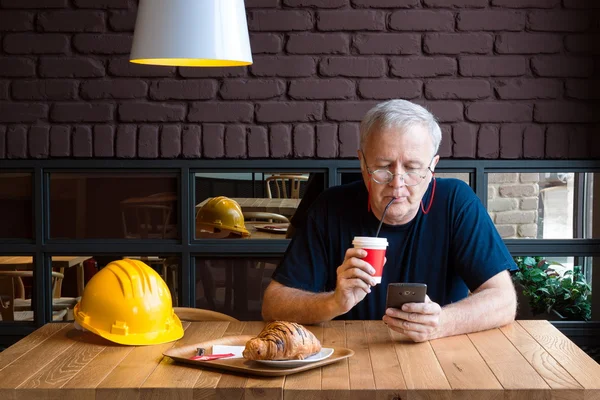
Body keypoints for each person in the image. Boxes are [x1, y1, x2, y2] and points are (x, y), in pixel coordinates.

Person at [262, 99, 517, 342]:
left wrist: (441, 323)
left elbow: (504, 300)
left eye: (413, 167)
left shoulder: (456, 203)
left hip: (438, 360)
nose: (397, 183)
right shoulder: (330, 207)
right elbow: (273, 304)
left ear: (432, 167)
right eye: (384, 166)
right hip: (348, 359)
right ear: (362, 163)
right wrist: (333, 302)